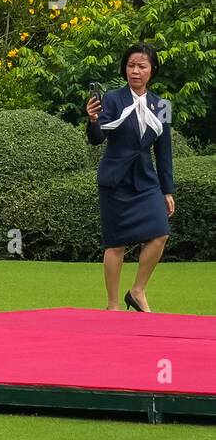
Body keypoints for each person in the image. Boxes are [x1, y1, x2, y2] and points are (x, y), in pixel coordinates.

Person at [86, 42, 175, 312]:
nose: (135, 71)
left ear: (152, 70)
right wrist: (92, 120)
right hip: (115, 179)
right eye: (130, 65)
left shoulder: (162, 105)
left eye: (141, 66)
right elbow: (97, 138)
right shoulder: (112, 98)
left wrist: (167, 190)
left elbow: (164, 150)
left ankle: (137, 291)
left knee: (160, 233)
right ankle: (112, 306)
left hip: (146, 180)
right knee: (116, 244)